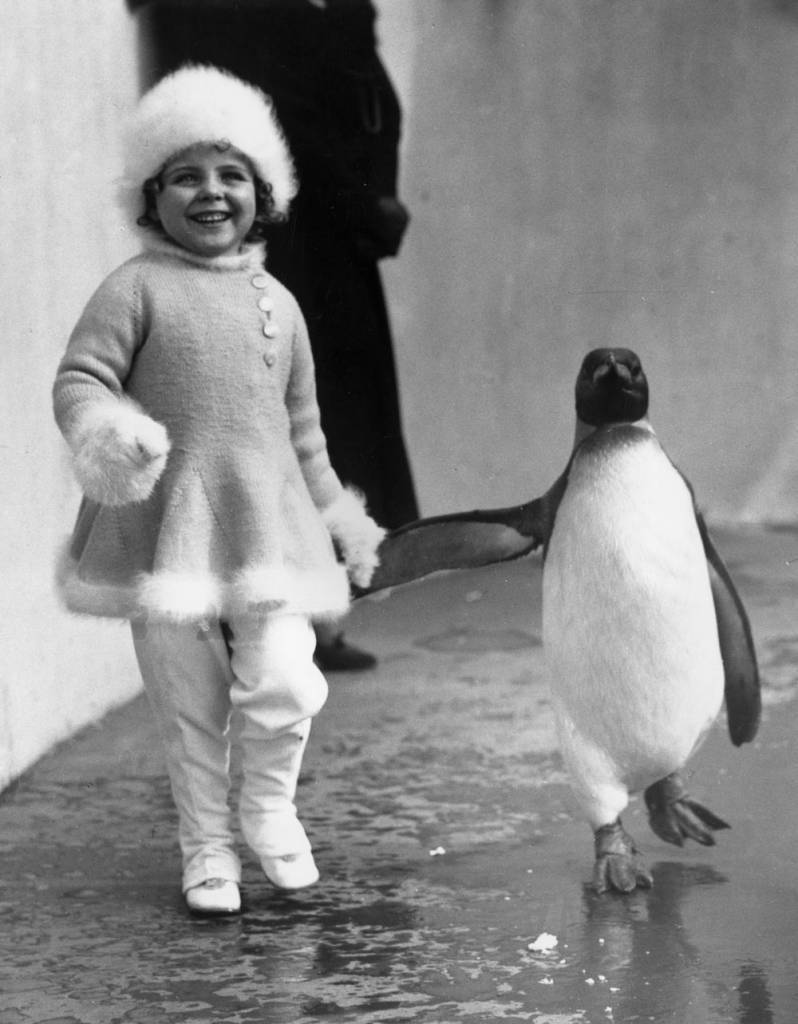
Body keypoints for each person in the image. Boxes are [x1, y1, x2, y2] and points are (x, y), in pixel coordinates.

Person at [52, 65, 385, 916]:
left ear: (263, 192)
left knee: (285, 677)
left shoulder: (280, 302)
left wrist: (339, 521)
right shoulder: (134, 289)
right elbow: (82, 379)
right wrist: (107, 433)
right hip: (162, 528)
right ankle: (207, 849)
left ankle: (267, 806)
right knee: (188, 704)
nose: (211, 192)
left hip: (265, 531)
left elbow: (304, 434)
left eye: (231, 173)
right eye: (187, 175)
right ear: (150, 195)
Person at [136, 0, 420, 671]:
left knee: (332, 435)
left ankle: (320, 618)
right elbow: (295, 134)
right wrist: (369, 207)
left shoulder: (333, 17)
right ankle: (275, 626)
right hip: (301, 249)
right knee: (283, 431)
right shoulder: (264, 20)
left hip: (336, 255)